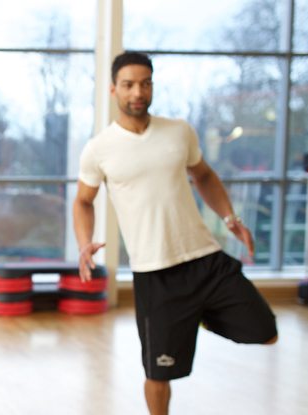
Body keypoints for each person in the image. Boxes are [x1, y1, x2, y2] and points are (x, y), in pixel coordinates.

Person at [73, 52, 278, 415]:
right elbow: (83, 202)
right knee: (158, 372)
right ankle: (182, 318)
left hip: (205, 259)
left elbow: (204, 176)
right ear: (113, 89)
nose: (138, 91)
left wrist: (231, 219)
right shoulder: (99, 149)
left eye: (145, 83)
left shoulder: (179, 131)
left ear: (152, 85)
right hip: (156, 274)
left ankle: (193, 314)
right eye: (129, 84)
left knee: (265, 330)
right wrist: (84, 243)